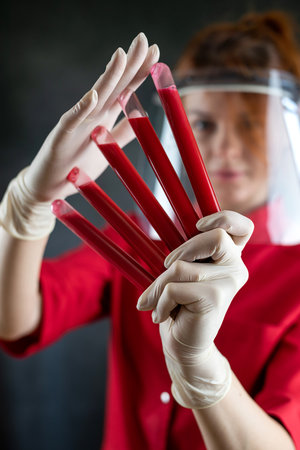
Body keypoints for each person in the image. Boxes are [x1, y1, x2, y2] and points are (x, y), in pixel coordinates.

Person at [0, 10, 299, 450]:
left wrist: (202, 371)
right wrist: (29, 205)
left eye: (251, 124)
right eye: (203, 123)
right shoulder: (138, 242)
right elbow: (17, 320)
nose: (224, 148)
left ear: (286, 131)